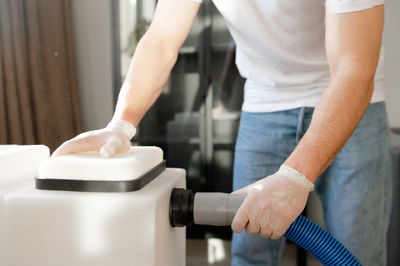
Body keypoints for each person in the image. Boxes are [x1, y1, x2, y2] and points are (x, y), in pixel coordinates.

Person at [53, 0, 392, 265]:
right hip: (264, 102)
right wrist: (121, 123)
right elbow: (161, 40)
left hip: (353, 106)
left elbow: (354, 70)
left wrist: (297, 177)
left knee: (357, 253)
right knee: (250, 252)